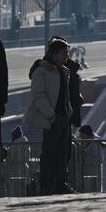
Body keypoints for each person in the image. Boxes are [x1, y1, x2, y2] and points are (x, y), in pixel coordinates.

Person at [23, 38, 74, 194]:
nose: (67, 56)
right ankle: (46, 185)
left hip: (64, 118)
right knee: (49, 153)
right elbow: (38, 96)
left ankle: (61, 184)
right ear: (54, 53)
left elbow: (66, 95)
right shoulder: (42, 71)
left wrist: (68, 113)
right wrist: (51, 115)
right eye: (64, 53)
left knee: (63, 152)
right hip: (52, 119)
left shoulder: (64, 71)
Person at [73, 125, 106, 193]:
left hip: (93, 169)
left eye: (81, 134)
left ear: (86, 134)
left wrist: (84, 158)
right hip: (88, 169)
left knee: (95, 187)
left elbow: (98, 159)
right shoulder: (86, 139)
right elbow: (76, 139)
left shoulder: (95, 142)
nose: (80, 135)